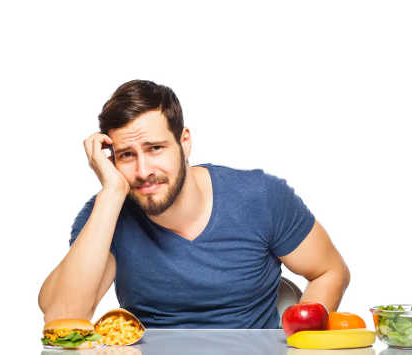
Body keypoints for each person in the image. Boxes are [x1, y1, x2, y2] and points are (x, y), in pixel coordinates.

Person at [38, 80, 350, 328]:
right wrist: (110, 194)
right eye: (127, 155)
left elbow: (329, 271)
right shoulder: (105, 216)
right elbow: (62, 318)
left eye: (155, 148)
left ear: (184, 141)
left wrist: (300, 343)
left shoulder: (261, 197)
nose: (144, 170)